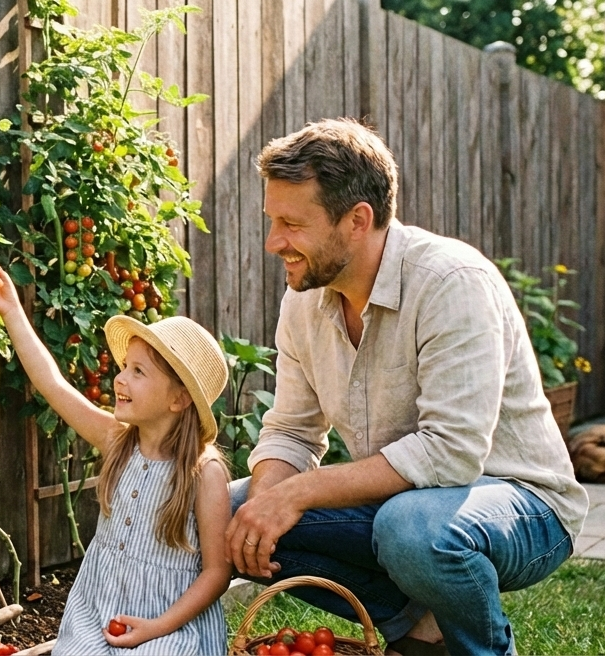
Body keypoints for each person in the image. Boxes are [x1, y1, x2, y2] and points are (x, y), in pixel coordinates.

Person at [224, 118, 588, 656]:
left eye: (292, 224)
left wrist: (297, 493)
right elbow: (292, 432)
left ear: (357, 220)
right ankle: (417, 631)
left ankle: (483, 649)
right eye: (272, 220)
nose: (275, 241)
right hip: (405, 505)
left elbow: (451, 453)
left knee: (411, 530)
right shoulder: (303, 301)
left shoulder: (450, 282)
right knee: (227, 513)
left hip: (525, 505)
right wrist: (264, 503)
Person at [0, 269, 233, 655]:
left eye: (137, 371)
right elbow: (52, 385)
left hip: (171, 623)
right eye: (123, 367)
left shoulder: (203, 471)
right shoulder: (118, 441)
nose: (119, 379)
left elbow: (217, 572)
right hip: (98, 613)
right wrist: (12, 311)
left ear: (179, 399)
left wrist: (155, 628)